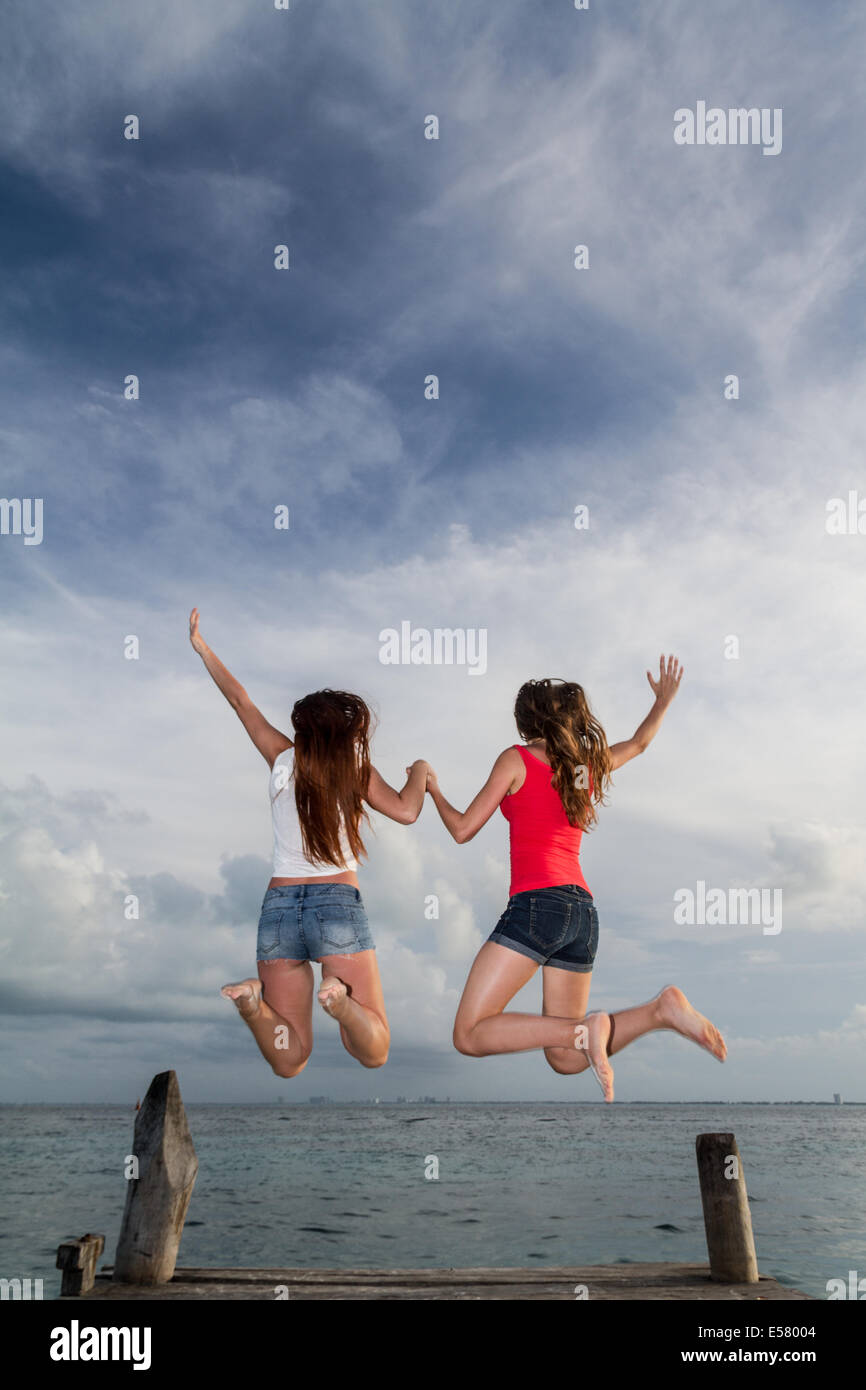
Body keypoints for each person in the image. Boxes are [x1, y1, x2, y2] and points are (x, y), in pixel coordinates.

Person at [426, 656, 726, 1102]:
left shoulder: (516, 759)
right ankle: (659, 1011)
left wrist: (433, 789)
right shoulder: (584, 768)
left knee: (468, 1034)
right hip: (582, 913)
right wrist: (662, 703)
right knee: (567, 1056)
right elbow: (639, 743)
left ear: (527, 721)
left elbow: (463, 829)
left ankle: (589, 1028)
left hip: (538, 905)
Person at [189, 608, 428, 1076]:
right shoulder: (352, 768)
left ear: (302, 730)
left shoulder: (280, 757)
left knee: (291, 1058)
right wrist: (420, 769)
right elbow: (407, 810)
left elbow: (240, 703)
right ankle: (340, 1005)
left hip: (279, 910)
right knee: (373, 1051)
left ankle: (253, 1006)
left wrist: (202, 647)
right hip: (336, 906)